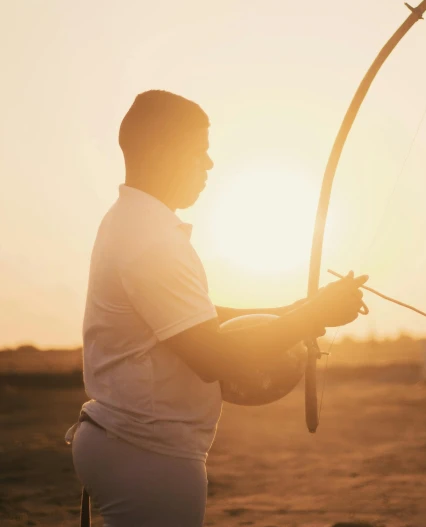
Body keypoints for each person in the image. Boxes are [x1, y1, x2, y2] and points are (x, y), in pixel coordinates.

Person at [70, 89, 368, 527]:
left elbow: (196, 317)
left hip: (129, 445)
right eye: (199, 152)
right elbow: (213, 356)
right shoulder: (150, 237)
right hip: (146, 454)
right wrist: (314, 316)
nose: (209, 165)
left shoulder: (133, 221)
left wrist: (300, 307)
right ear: (161, 149)